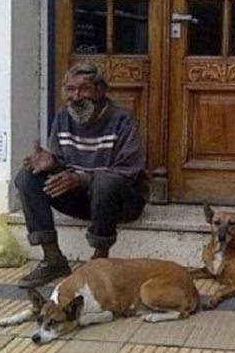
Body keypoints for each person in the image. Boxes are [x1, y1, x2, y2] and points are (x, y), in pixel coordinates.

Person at [15, 63, 148, 288]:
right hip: (82, 198)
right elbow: (62, 164)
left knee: (105, 183)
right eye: (70, 90)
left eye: (84, 89)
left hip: (121, 202)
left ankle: (100, 259)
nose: (76, 97)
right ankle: (52, 258)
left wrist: (82, 179)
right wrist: (51, 163)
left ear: (100, 90)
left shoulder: (122, 119)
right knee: (27, 177)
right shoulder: (63, 117)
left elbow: (128, 171)